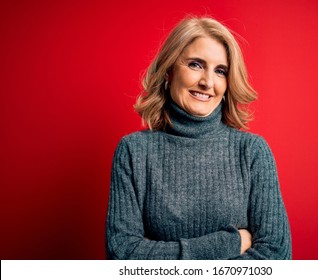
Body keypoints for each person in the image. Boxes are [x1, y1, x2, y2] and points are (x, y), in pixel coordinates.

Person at [105, 16, 292, 260]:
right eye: (195, 64)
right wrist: (229, 243)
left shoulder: (252, 152)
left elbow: (276, 257)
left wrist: (160, 256)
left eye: (220, 71)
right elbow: (123, 255)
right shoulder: (133, 152)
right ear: (169, 71)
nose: (207, 82)